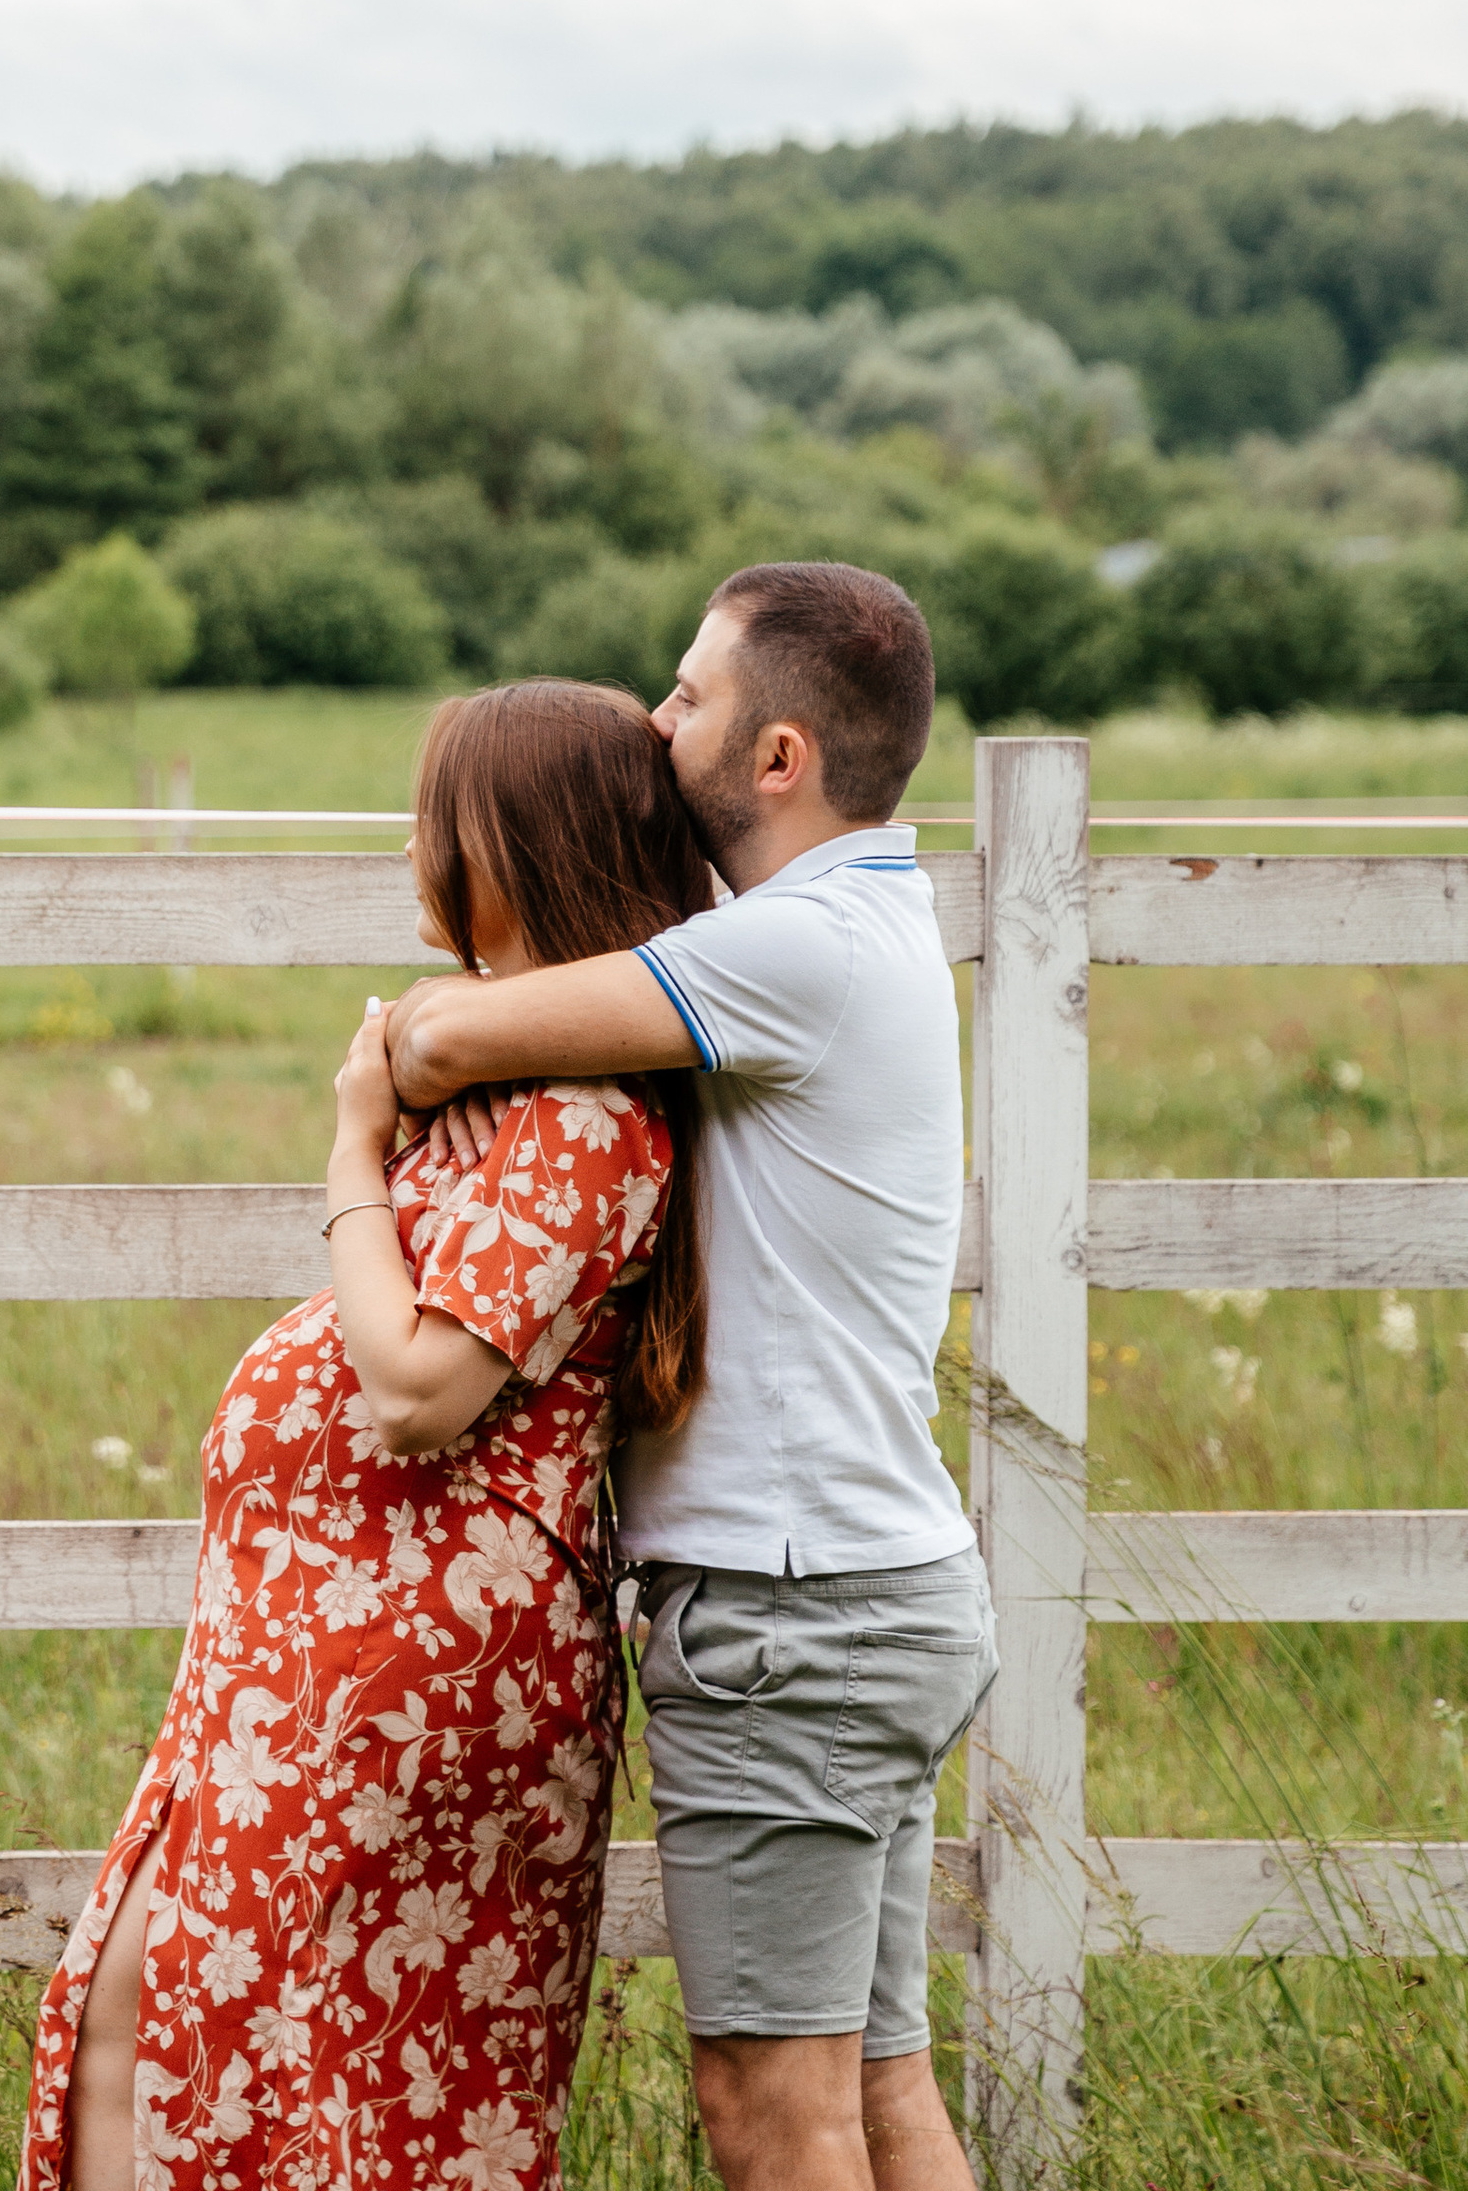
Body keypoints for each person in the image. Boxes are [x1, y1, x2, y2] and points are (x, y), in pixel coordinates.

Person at [19, 679, 711, 2191]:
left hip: (409, 1669)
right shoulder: (497, 1089)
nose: (412, 847)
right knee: (190, 2022)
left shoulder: (585, 1119)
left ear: (518, 844)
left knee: (248, 2039)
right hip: (311, 1652)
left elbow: (415, 1388)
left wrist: (350, 1153)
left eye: (436, 819)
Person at [384, 563, 998, 2191]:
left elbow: (438, 1042)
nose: (658, 725)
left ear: (780, 757)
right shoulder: (854, 924)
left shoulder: (795, 950)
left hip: (795, 1617)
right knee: (878, 2091)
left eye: (687, 695)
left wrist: (385, 1068)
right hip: (870, 1592)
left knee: (770, 2110)